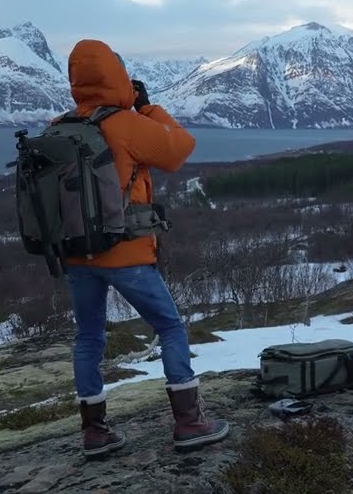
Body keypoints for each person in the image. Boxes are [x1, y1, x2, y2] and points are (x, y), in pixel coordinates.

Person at [56, 39, 229, 458]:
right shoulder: (126, 124)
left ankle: (95, 432)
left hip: (77, 255)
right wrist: (145, 107)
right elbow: (179, 148)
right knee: (169, 327)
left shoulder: (57, 127)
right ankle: (189, 421)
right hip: (127, 254)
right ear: (115, 75)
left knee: (89, 337)